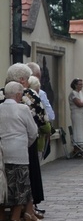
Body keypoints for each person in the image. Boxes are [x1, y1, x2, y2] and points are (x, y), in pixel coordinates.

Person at [0, 63, 47, 219]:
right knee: (23, 181)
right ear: (21, 80)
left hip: (2, 149)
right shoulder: (28, 95)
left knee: (5, 181)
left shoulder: (2, 94)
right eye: (26, 78)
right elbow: (40, 120)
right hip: (23, 146)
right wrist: (26, 142)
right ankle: (24, 211)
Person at [69, 78, 83, 146]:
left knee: (82, 130)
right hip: (76, 114)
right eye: (80, 84)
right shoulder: (73, 93)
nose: (81, 86)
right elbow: (79, 104)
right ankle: (77, 147)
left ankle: (81, 146)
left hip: (82, 114)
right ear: (75, 85)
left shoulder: (80, 93)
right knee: (77, 130)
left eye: (82, 84)